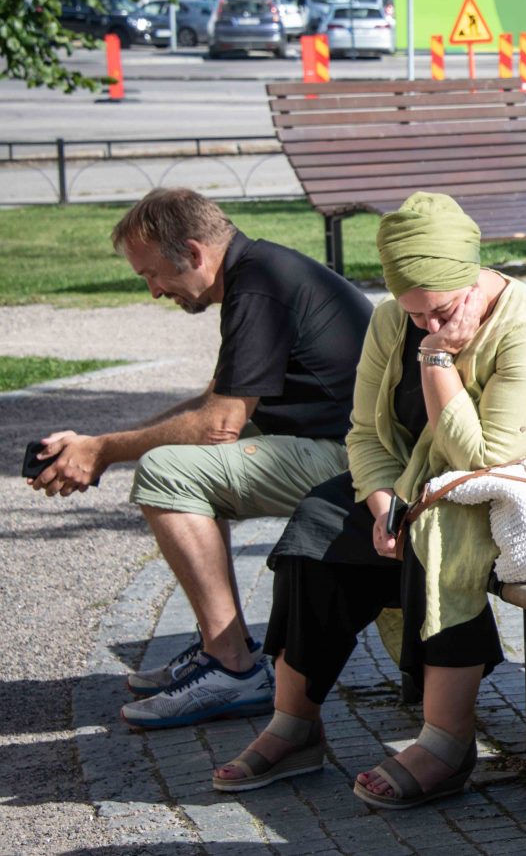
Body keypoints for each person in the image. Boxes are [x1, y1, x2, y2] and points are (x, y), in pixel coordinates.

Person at [211, 192, 526, 808]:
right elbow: (364, 432)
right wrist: (380, 505)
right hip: (421, 484)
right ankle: (294, 724)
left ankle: (447, 741)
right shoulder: (390, 320)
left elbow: (484, 459)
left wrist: (437, 361)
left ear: (471, 279)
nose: (426, 325)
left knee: (440, 534)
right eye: (415, 316)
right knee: (317, 526)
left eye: (442, 312)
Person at [26, 188, 371, 729]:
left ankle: (234, 668)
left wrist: (107, 451)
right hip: (344, 444)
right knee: (178, 454)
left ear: (192, 251)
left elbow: (218, 425)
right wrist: (96, 443)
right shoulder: (258, 272)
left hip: (361, 465)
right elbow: (213, 404)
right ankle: (223, 652)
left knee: (166, 471)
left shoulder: (260, 286)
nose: (154, 291)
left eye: (152, 274)